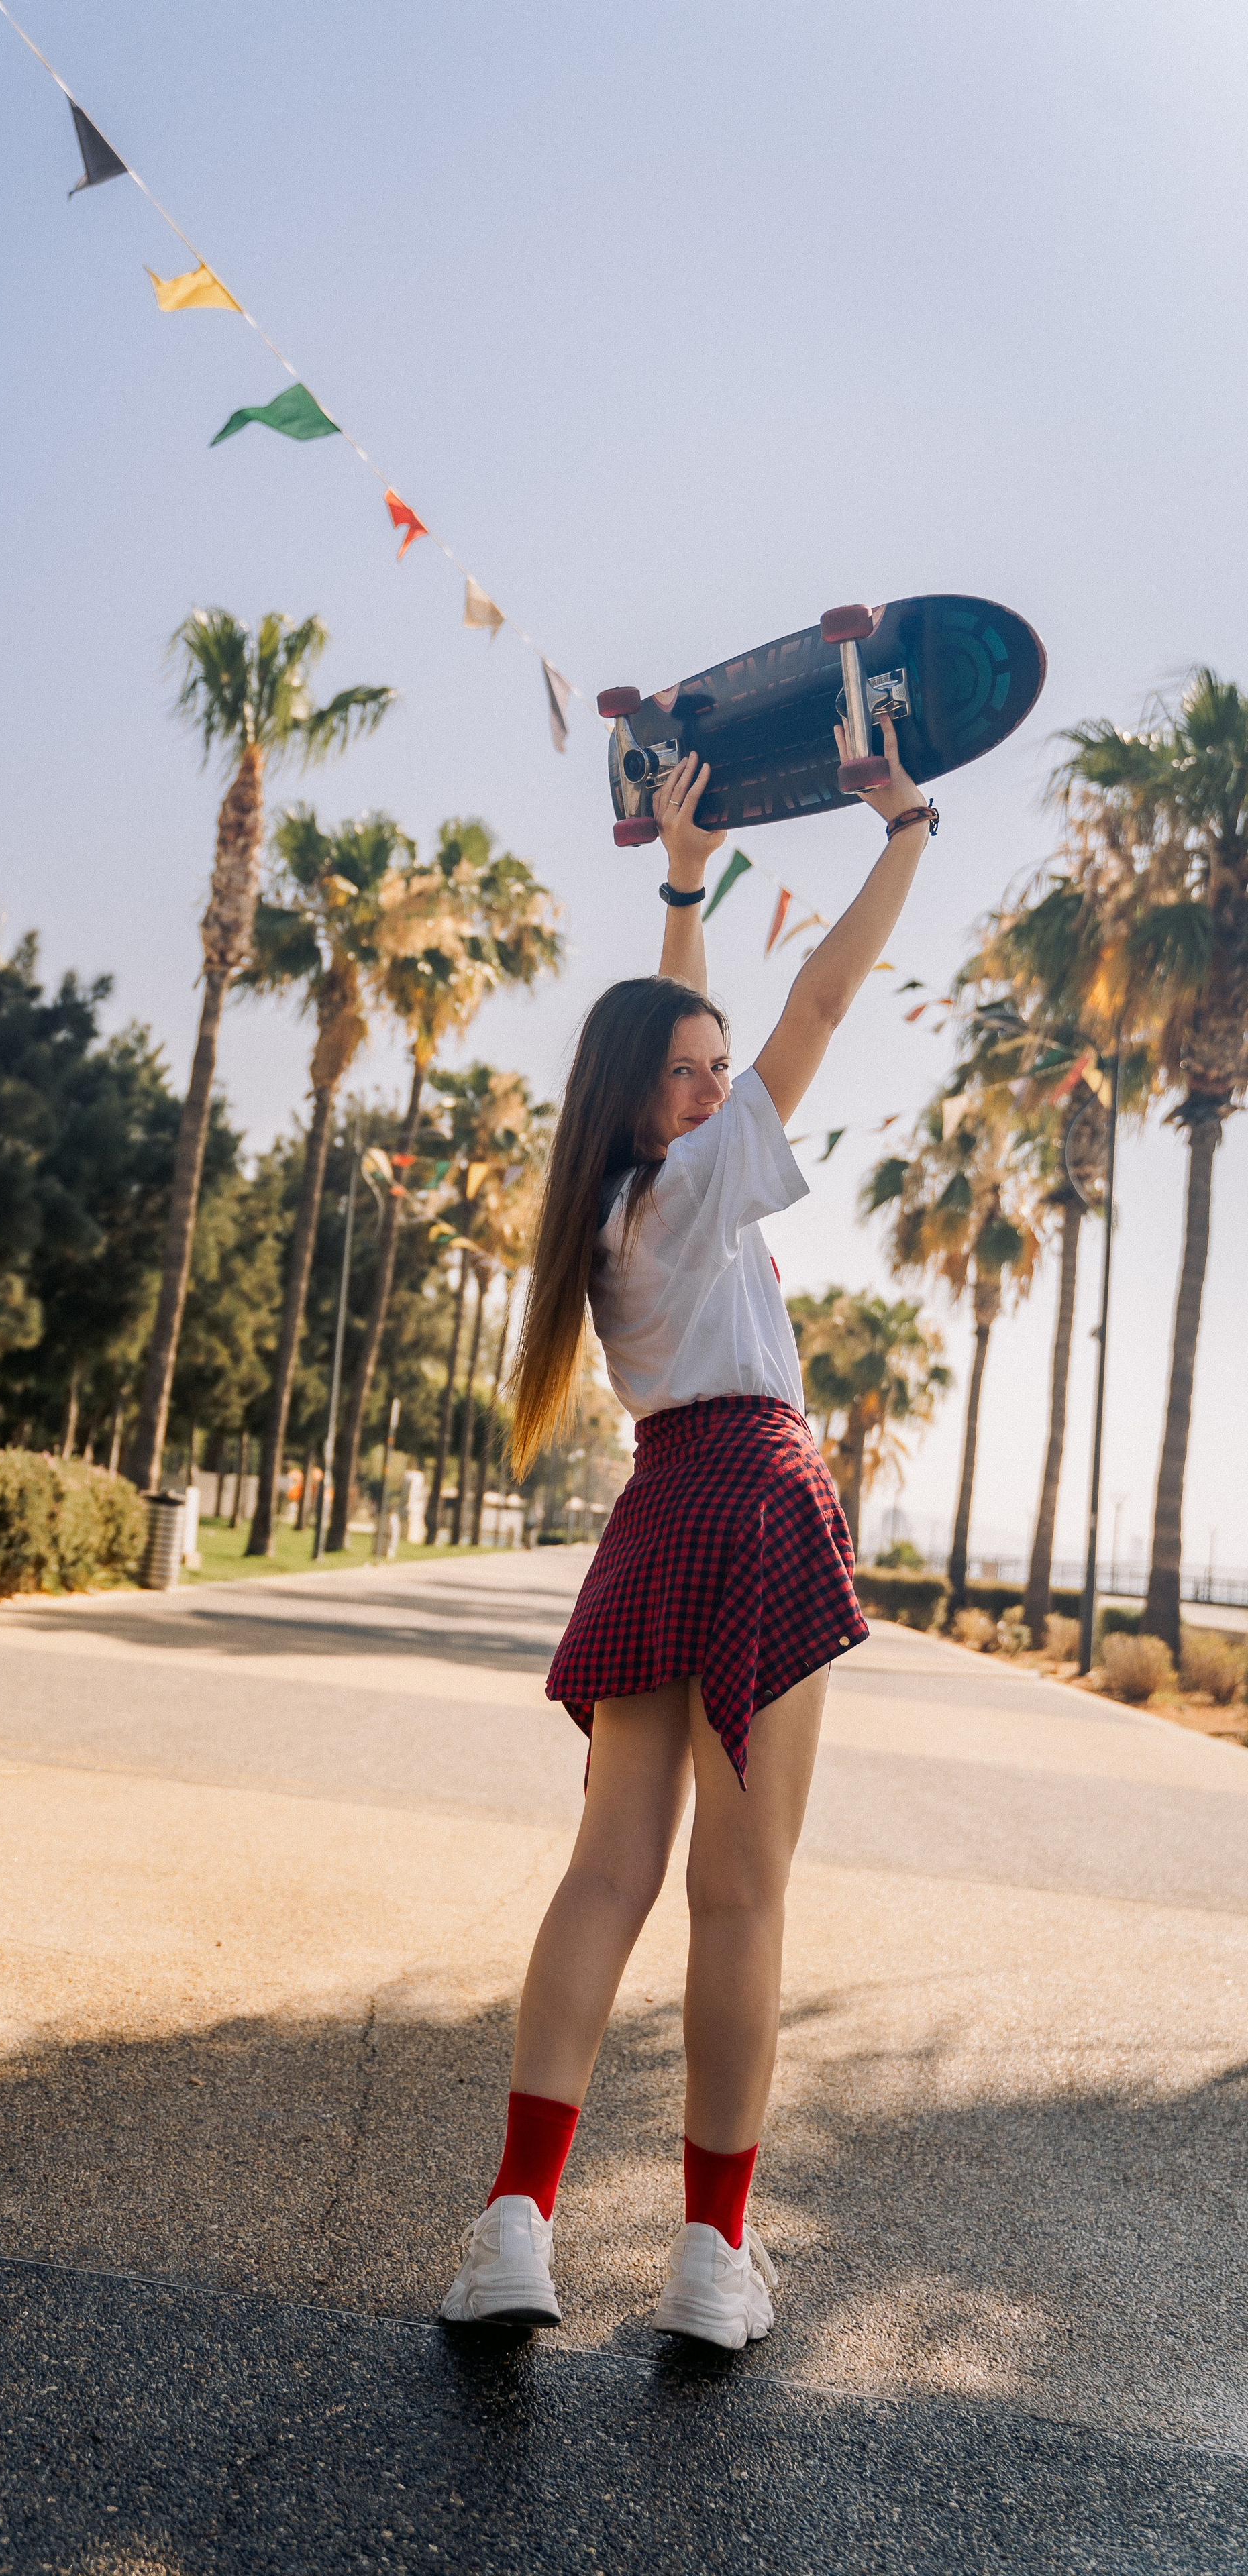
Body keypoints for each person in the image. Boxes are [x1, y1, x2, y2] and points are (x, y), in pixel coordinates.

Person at [441, 721, 939, 2346]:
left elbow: (688, 1031)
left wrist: (679, 878)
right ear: (654, 1102)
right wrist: (904, 831)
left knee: (603, 1878)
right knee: (738, 1900)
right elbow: (815, 1005)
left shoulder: (604, 1204)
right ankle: (709, 2260)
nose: (727, 1087)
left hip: (656, 1507)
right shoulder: (704, 1177)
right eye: (698, 1075)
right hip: (753, 1500)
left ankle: (514, 2225)